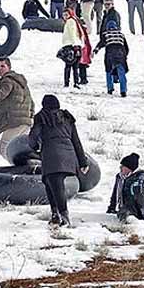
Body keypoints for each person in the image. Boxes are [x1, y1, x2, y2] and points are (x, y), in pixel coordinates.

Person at [28, 95, 87, 227]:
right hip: (69, 155)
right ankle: (55, 215)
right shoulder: (67, 118)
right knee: (49, 182)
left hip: (51, 155)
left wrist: (34, 147)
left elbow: (33, 137)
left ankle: (63, 215)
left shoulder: (41, 117)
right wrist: (82, 162)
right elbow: (76, 141)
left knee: (55, 183)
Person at [106, 153, 144, 222]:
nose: (120, 168)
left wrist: (139, 182)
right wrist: (111, 208)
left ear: (129, 168)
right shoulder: (120, 177)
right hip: (128, 207)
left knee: (138, 187)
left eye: (123, 166)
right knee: (123, 213)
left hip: (142, 206)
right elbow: (115, 193)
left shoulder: (140, 175)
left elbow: (142, 185)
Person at [94, 20, 130, 97]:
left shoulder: (106, 34)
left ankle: (110, 89)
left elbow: (101, 43)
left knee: (108, 72)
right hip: (120, 55)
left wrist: (96, 50)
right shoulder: (121, 34)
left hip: (110, 55)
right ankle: (123, 91)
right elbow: (126, 48)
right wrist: (124, 56)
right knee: (121, 74)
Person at [59, 7, 84, 88]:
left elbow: (72, 33)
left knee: (69, 66)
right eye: (64, 15)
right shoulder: (72, 21)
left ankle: (67, 82)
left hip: (71, 45)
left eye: (66, 15)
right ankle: (76, 82)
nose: (65, 16)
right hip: (75, 44)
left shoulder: (70, 22)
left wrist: (74, 45)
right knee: (75, 66)